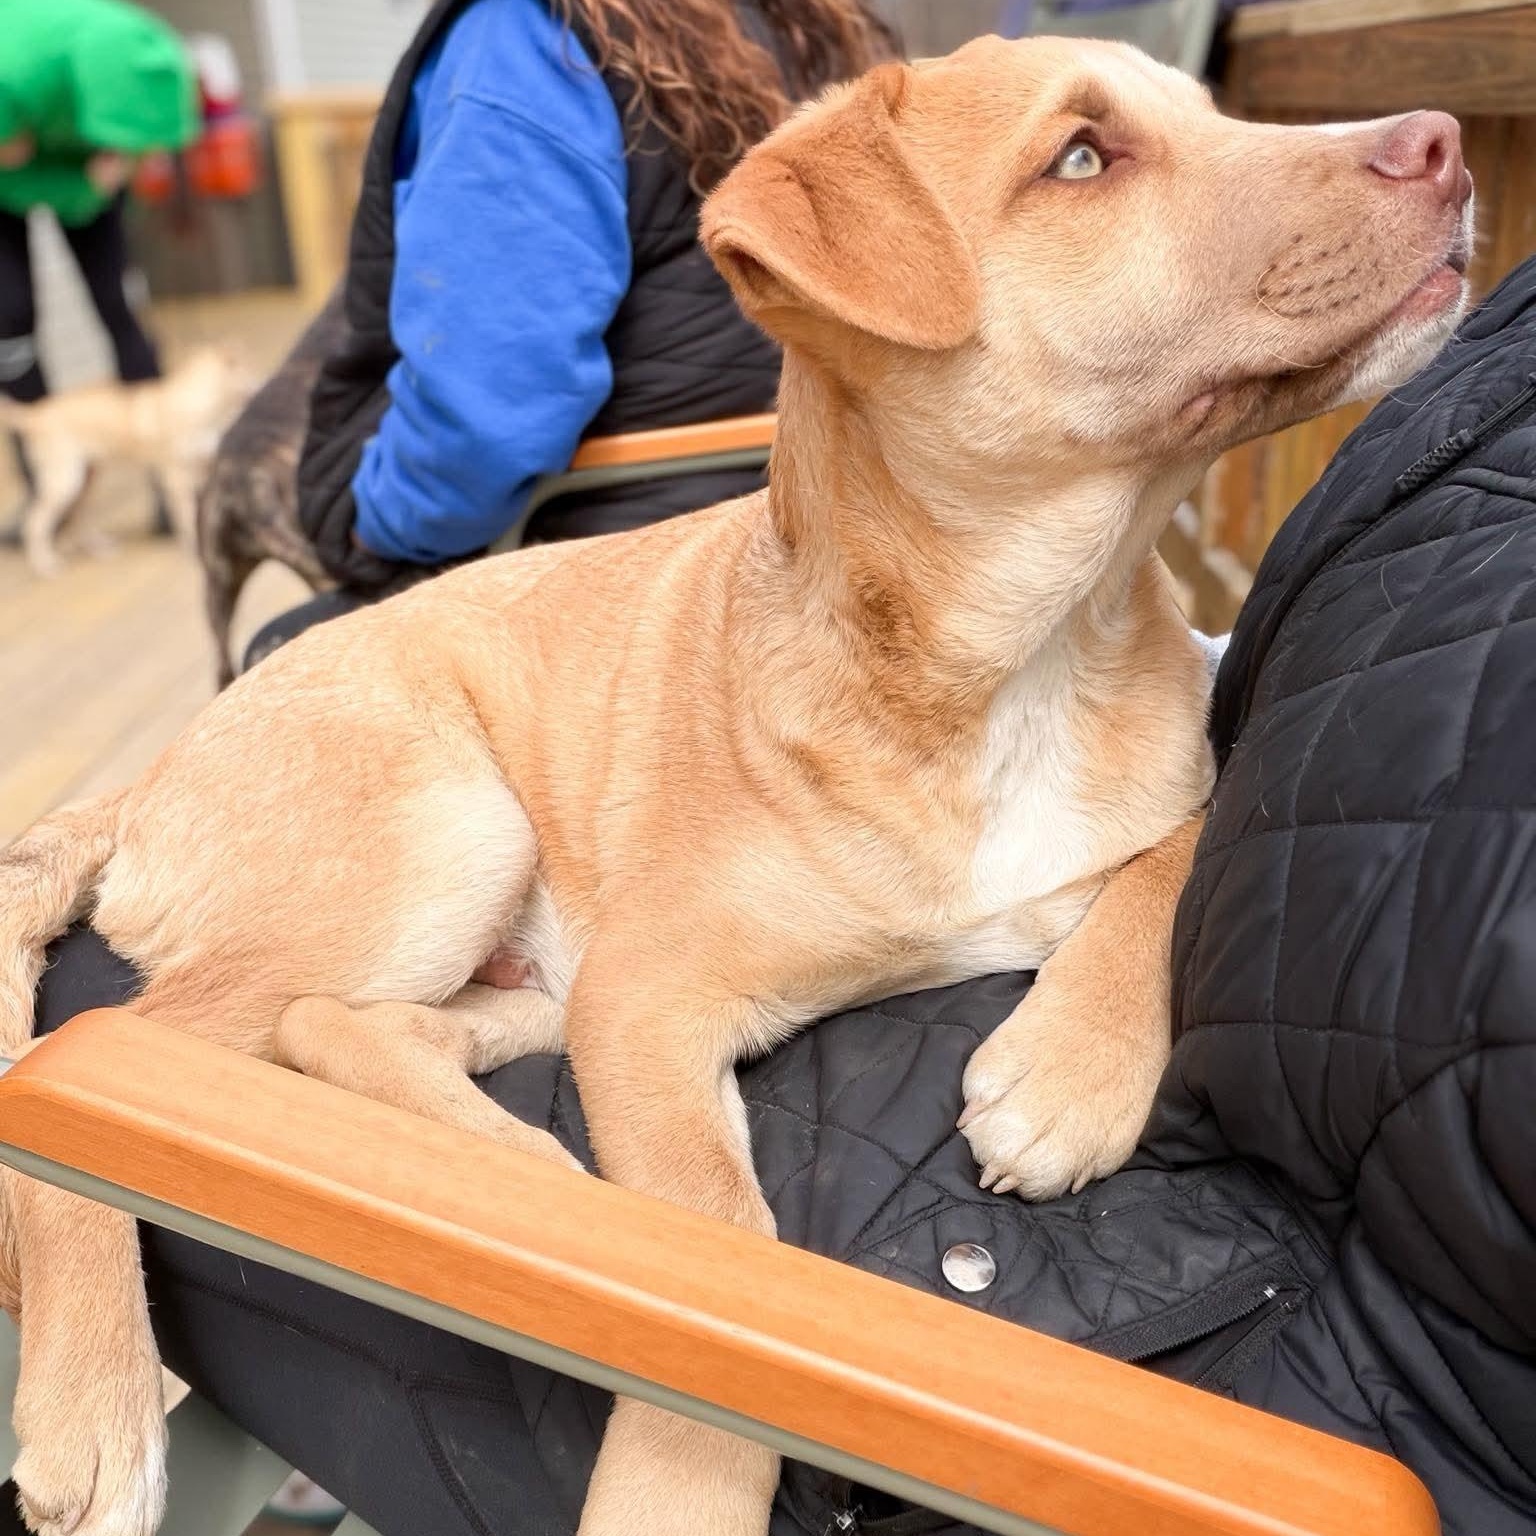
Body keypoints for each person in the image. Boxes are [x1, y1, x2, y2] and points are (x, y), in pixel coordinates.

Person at [239, 0, 896, 664]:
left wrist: (374, 525)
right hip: (813, 545)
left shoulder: (524, 42)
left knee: (282, 661)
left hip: (625, 569)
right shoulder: (800, 20)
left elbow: (485, 424)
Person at [0, 0, 197, 408]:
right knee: (11, 313)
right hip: (16, 167)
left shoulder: (143, 56)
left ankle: (155, 428)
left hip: (76, 152)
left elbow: (111, 176)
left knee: (118, 296)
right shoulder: (11, 77)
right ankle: (44, 448)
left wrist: (95, 178)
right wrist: (80, 182)